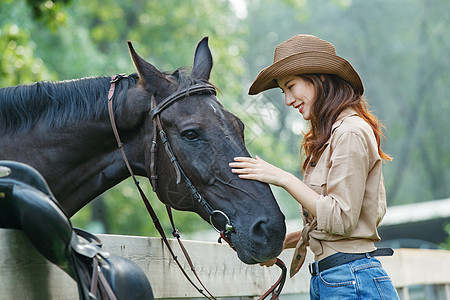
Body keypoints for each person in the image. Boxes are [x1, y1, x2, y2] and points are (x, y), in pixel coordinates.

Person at [229, 34, 399, 299]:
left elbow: (341, 220)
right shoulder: (332, 137)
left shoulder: (350, 133)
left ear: (319, 77)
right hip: (334, 280)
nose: (287, 100)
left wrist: (282, 178)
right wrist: (281, 244)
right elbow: (327, 227)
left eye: (291, 86)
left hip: (351, 281)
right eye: (283, 91)